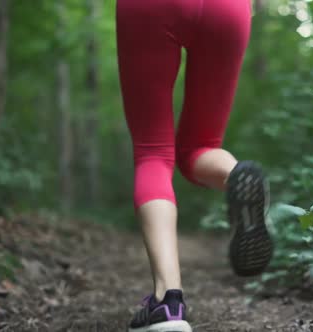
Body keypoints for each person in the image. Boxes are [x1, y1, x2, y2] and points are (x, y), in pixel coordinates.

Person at [116, 0, 273, 330]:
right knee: (200, 147)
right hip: (229, 9)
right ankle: (235, 177)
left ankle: (167, 303)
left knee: (153, 153)